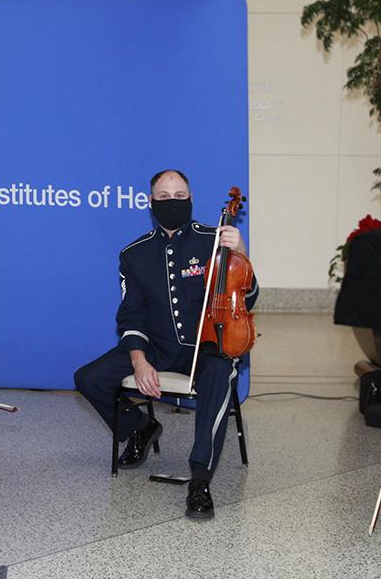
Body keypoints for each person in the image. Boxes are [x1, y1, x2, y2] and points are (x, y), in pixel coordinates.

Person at [74, 169, 258, 520]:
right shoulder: (134, 254)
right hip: (156, 346)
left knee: (220, 374)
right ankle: (140, 427)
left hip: (208, 344)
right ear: (150, 202)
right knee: (89, 377)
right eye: (163, 197)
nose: (172, 202)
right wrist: (140, 360)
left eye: (179, 196)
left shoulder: (215, 240)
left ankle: (200, 478)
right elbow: (131, 316)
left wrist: (242, 254)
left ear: (190, 198)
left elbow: (245, 299)